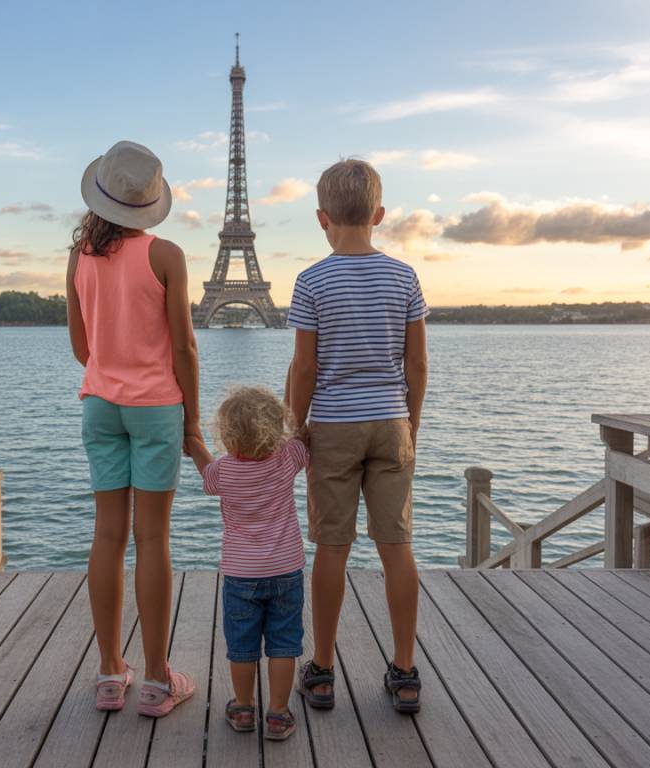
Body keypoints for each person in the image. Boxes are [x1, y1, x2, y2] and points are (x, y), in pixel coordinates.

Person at [286, 158, 429, 714]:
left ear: (321, 218)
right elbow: (417, 363)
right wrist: (409, 423)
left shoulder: (311, 280)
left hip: (334, 427)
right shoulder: (404, 277)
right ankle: (405, 669)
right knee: (397, 547)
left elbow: (305, 368)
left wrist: (295, 433)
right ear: (380, 215)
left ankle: (321, 669)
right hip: (391, 422)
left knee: (331, 548)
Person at [66, 140, 200, 717]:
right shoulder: (166, 254)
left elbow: (81, 348)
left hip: (100, 405)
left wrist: (112, 368)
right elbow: (185, 348)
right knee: (153, 540)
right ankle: (154, 679)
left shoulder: (77, 258)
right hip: (155, 408)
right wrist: (192, 422)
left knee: (107, 537)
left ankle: (106, 674)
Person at [186, 387, 308, 741]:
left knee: (242, 646)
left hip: (241, 576)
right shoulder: (287, 458)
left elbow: (206, 473)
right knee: (284, 645)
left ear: (227, 436)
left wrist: (193, 442)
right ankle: (278, 714)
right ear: (277, 431)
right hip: (286, 571)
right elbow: (304, 440)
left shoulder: (223, 472)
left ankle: (242, 708)